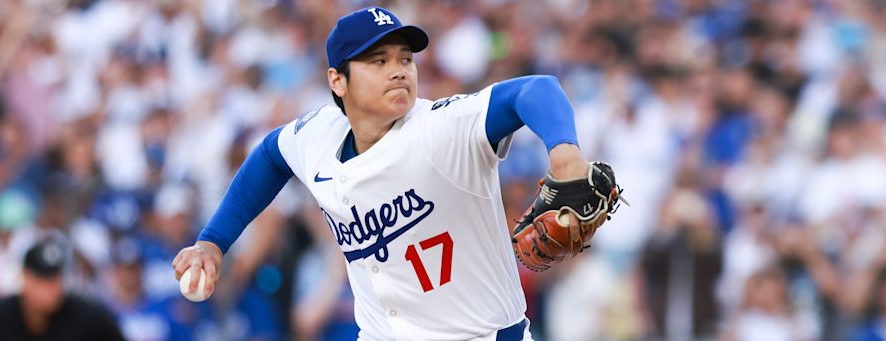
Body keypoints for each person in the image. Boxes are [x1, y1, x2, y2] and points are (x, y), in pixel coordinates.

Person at [173, 6, 620, 340]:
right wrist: (213, 241)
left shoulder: (442, 129)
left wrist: (565, 155)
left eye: (405, 59)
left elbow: (535, 89)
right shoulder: (316, 135)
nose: (399, 72)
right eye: (378, 61)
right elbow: (270, 156)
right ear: (337, 81)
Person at [0, 237, 125, 340]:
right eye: (44, 280)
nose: (53, 288)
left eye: (56, 279)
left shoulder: (88, 318)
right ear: (26, 278)